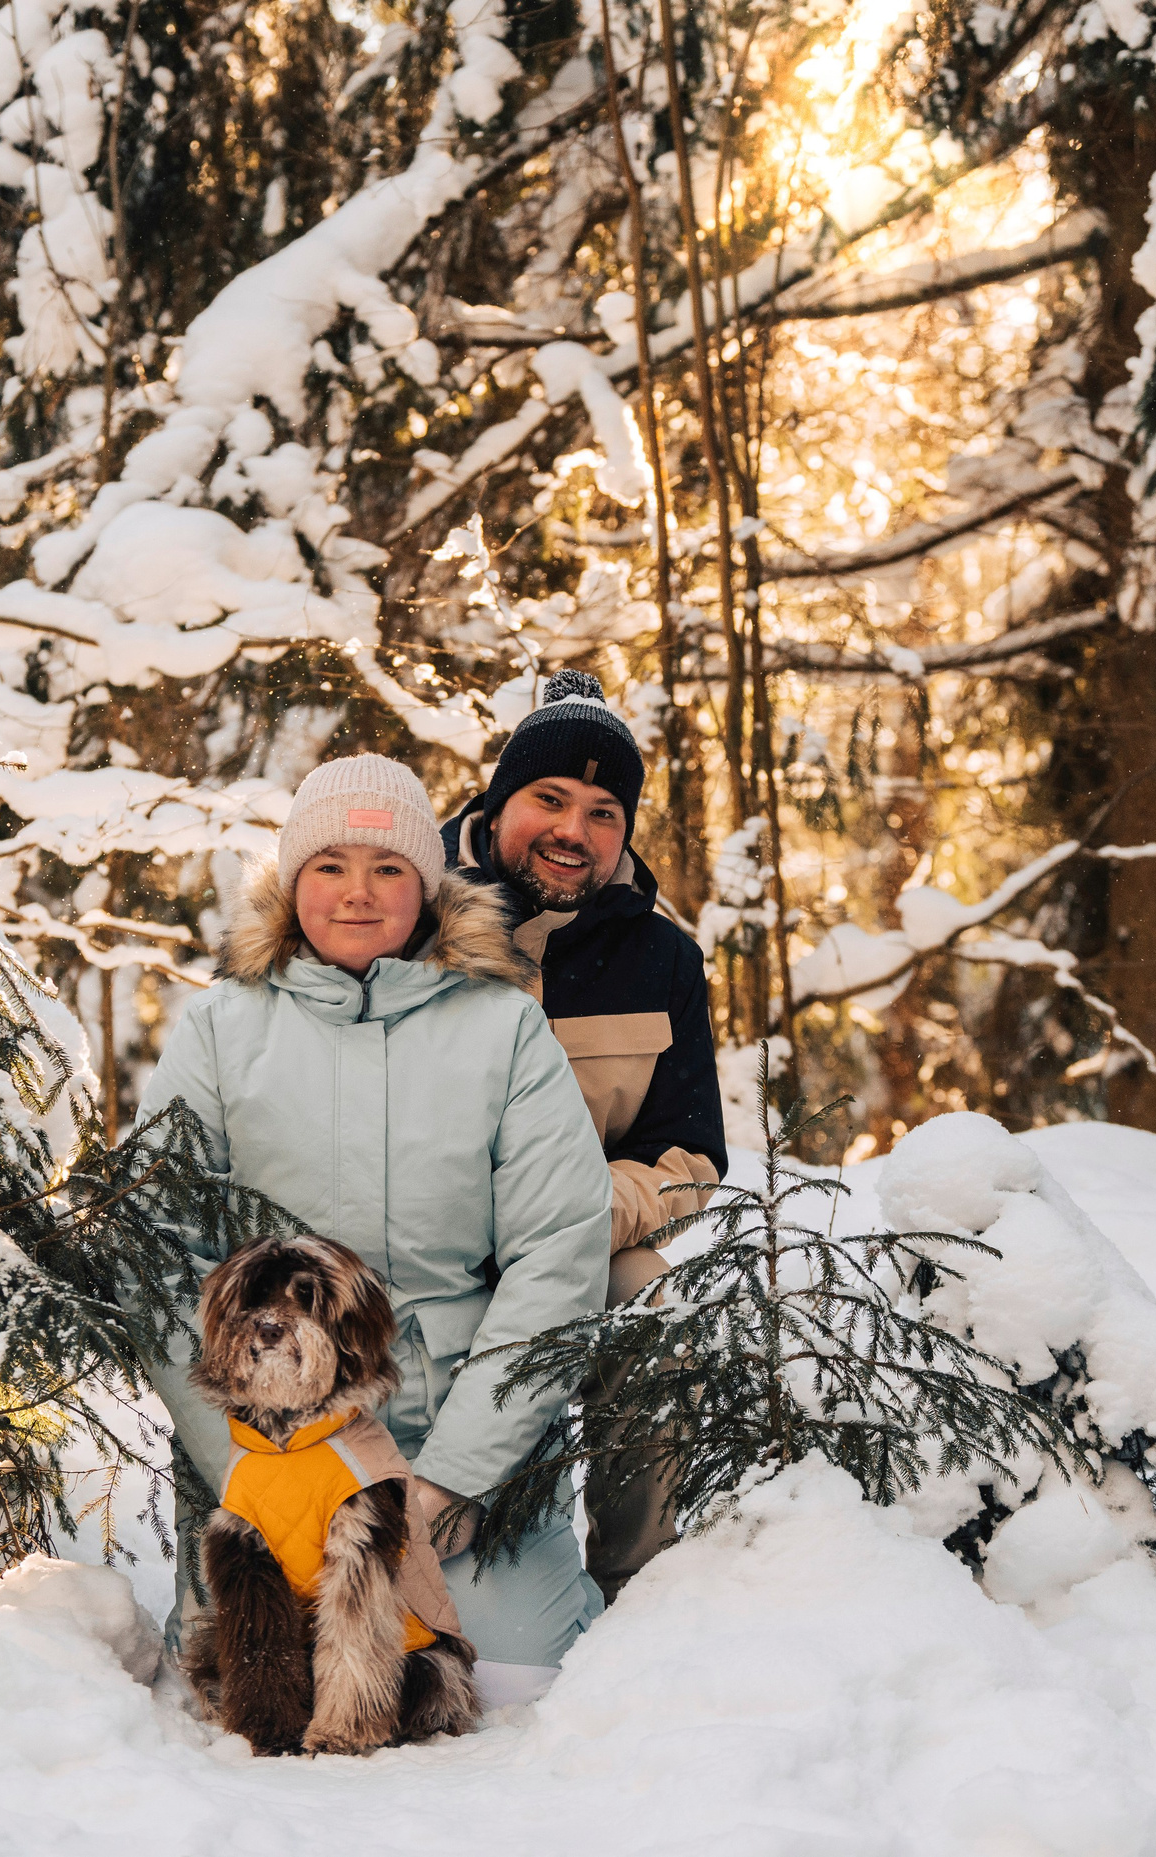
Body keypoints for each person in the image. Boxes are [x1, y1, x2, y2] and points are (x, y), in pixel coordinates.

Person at [138, 753, 613, 1704]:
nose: (358, 892)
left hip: (455, 1434)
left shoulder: (504, 1027)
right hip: (268, 1441)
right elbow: (154, 1255)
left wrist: (454, 1477)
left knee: (518, 1682)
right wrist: (250, 1470)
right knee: (256, 1689)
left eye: (387, 867)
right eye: (331, 865)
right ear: (292, 882)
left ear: (426, 885)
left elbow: (557, 1254)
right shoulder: (221, 1028)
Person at [440, 668, 726, 1601]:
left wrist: (581, 1216)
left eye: (605, 812)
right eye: (551, 799)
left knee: (653, 1311)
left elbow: (690, 1152)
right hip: (419, 1238)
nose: (575, 830)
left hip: (584, 1237)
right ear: (497, 803)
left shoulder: (662, 959)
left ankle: (636, 1586)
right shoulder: (411, 915)